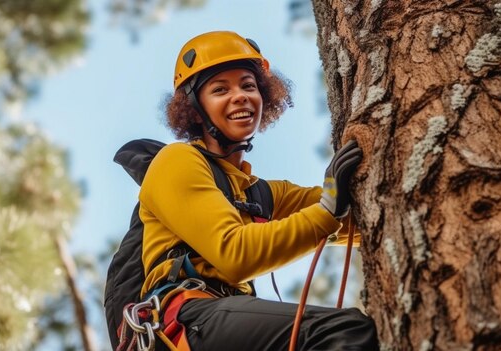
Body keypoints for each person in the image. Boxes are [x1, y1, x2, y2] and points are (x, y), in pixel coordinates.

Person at [138, 31, 378, 350]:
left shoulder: (258, 194)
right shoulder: (176, 161)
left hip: (223, 321)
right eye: (220, 89)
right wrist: (326, 211)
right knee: (345, 331)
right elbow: (235, 254)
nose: (240, 96)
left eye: (248, 85)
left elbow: (354, 218)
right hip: (187, 318)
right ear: (195, 110)